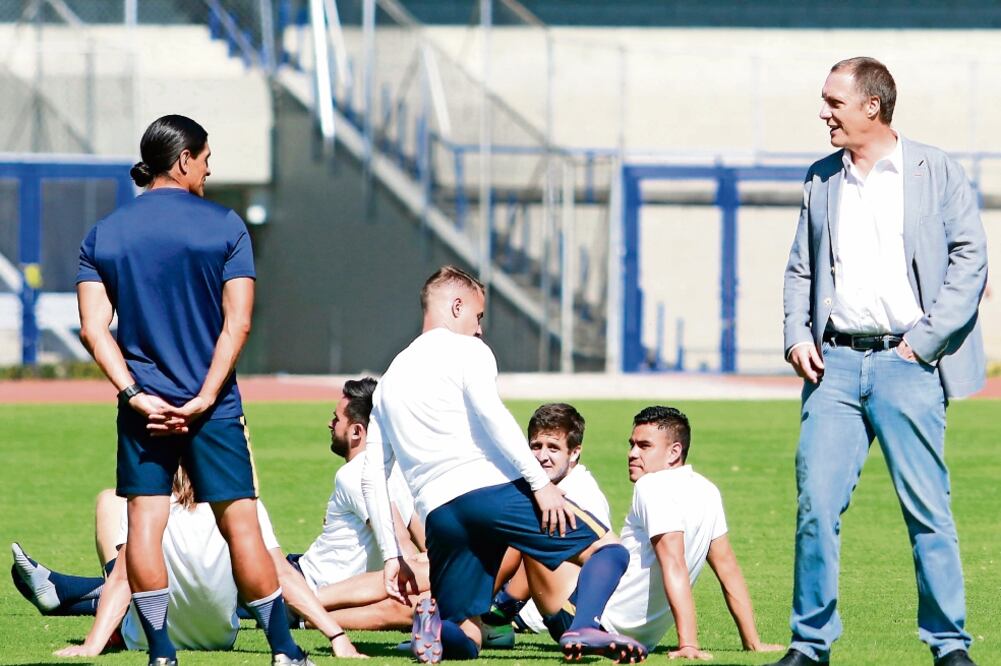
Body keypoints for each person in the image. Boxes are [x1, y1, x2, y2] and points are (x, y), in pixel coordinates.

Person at [776, 57, 987, 666]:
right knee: (816, 506)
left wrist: (924, 341)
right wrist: (796, 336)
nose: (824, 114)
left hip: (909, 365)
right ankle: (809, 645)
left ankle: (949, 646)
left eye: (833, 102)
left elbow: (970, 260)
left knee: (928, 511)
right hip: (833, 369)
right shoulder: (820, 178)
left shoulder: (935, 168)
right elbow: (800, 269)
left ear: (872, 105)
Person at [76, 114, 309, 666]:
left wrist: (134, 394)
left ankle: (160, 653)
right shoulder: (226, 226)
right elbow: (239, 324)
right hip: (214, 408)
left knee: (144, 527)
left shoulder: (102, 235)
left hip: (145, 410)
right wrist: (205, 397)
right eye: (206, 160)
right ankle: (283, 651)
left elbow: (92, 329)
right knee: (242, 528)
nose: (209, 169)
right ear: (183, 160)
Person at [361, 265, 645, 663]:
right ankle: (583, 626)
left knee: (468, 635)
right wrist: (540, 484)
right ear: (456, 305)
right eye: (478, 316)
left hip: (439, 514)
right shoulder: (468, 350)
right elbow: (492, 414)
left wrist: (393, 556)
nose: (479, 329)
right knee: (609, 550)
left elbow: (373, 475)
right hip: (490, 491)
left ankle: (435, 627)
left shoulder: (389, 380)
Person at [510, 406, 782, 660]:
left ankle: (496, 616)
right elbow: (728, 570)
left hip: (587, 621)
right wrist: (752, 642)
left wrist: (688, 644)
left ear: (674, 452)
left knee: (529, 517)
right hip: (640, 640)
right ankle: (509, 615)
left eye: (644, 446)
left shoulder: (650, 487)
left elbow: (673, 563)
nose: (632, 453)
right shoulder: (707, 490)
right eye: (632, 444)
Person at [11, 469, 362, 659]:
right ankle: (59, 591)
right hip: (220, 638)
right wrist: (337, 636)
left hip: (149, 639)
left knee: (108, 502)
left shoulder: (146, 505)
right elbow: (283, 573)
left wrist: (92, 645)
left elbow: (121, 579)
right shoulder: (244, 506)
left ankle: (66, 593)